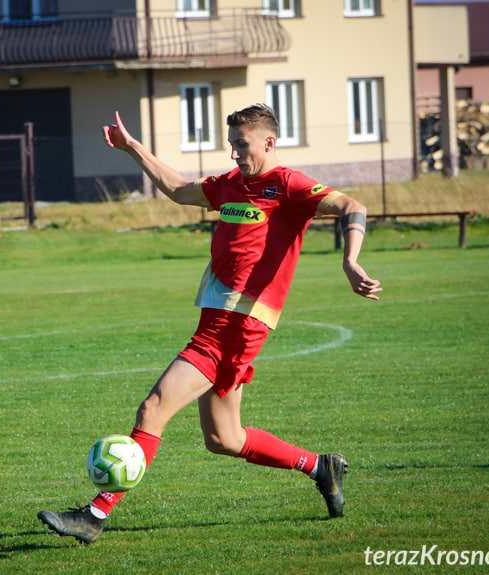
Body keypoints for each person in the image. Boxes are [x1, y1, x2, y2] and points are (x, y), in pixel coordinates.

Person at [38, 105, 381, 544]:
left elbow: (352, 205)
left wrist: (350, 260)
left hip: (237, 328)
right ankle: (319, 466)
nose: (235, 153)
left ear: (269, 143)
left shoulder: (288, 185)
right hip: (218, 322)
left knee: (153, 408)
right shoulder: (230, 186)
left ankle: (94, 515)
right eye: (232, 144)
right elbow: (180, 189)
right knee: (224, 438)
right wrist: (132, 148)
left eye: (243, 144)